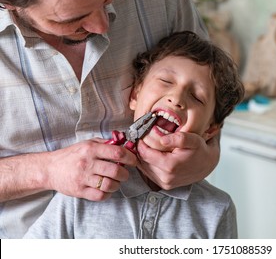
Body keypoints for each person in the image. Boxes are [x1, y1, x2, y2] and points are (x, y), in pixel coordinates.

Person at [0, 0, 221, 239]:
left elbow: (213, 93)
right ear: (9, 3)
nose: (103, 26)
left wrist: (208, 155)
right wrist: (45, 171)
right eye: (74, 17)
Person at [23, 31, 244, 239]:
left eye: (197, 97)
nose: (176, 98)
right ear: (135, 94)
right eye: (166, 81)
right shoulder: (84, 189)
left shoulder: (217, 209)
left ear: (210, 130)